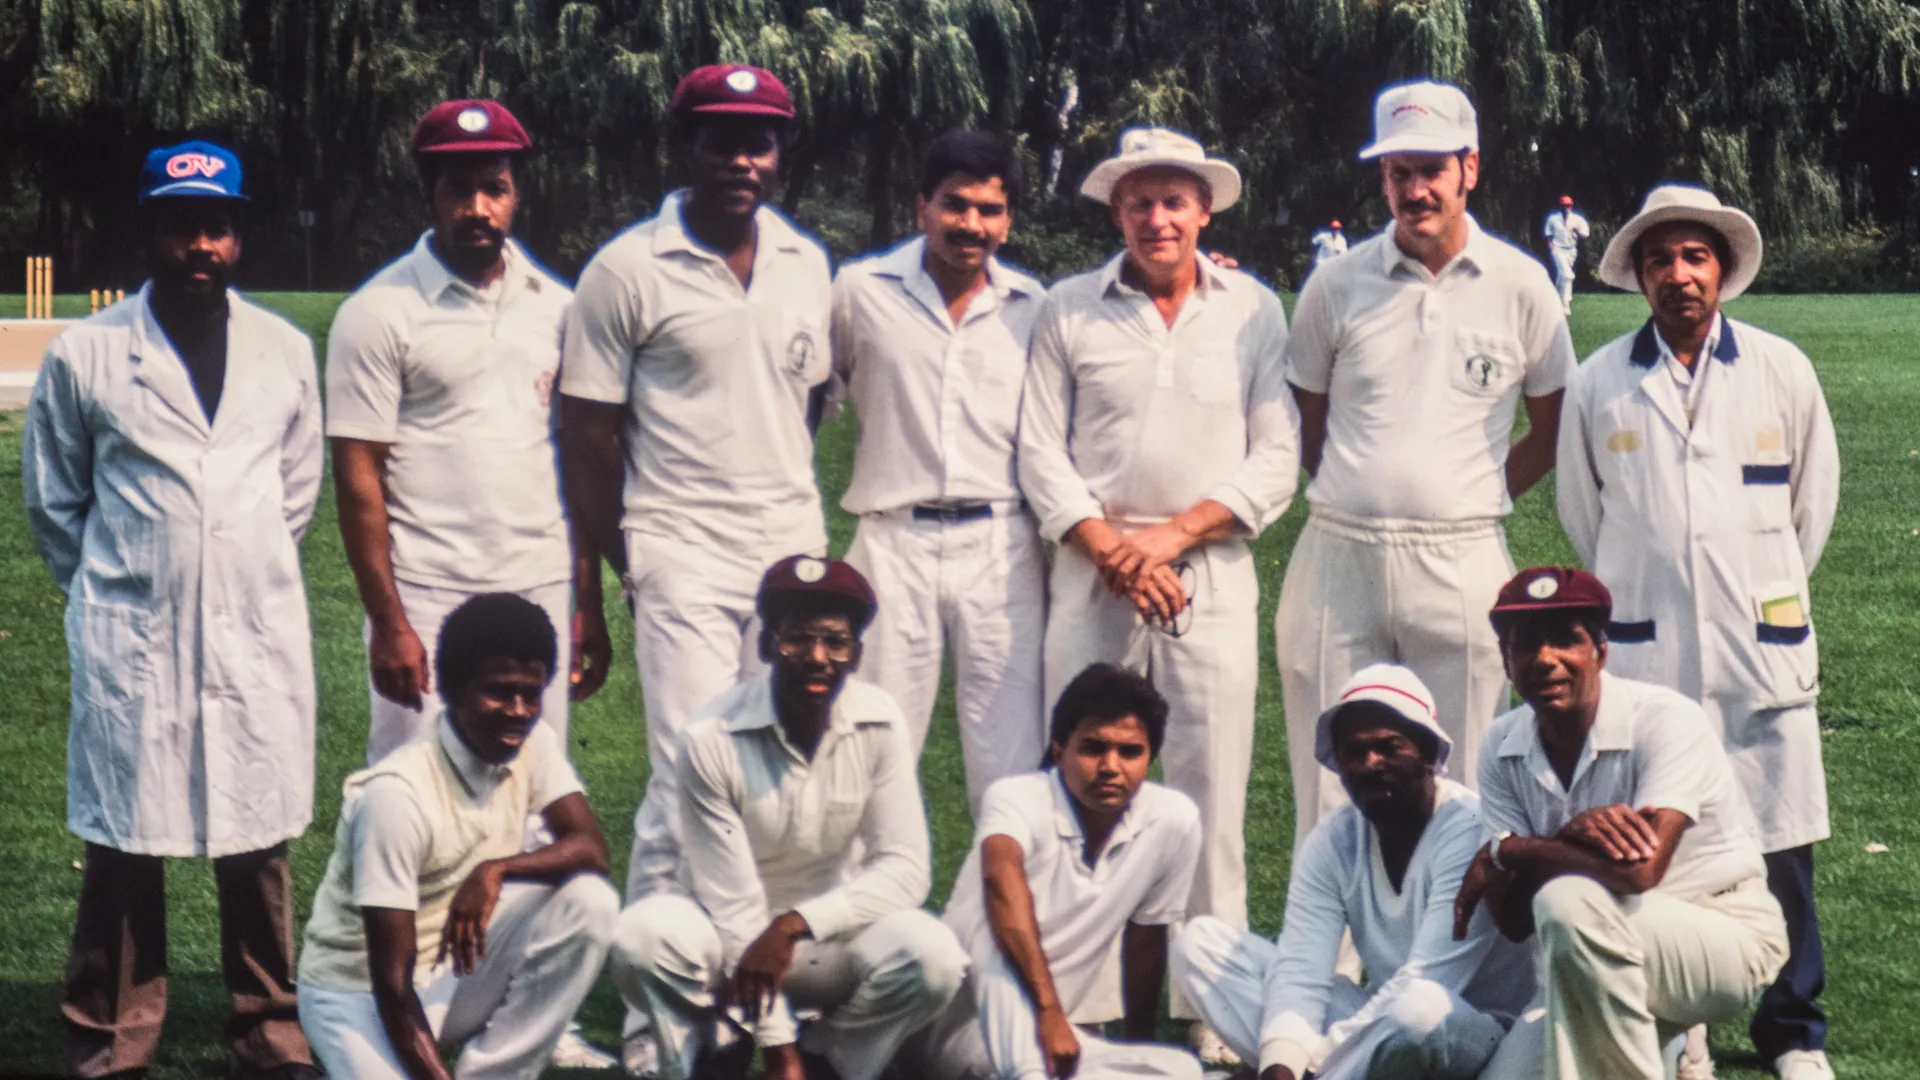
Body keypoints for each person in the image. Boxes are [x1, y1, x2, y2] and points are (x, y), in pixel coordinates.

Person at [22, 141, 323, 1079]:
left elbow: (296, 491)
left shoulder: (285, 349)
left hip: (254, 623)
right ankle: (113, 1033)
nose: (202, 244)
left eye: (217, 226)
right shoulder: (88, 355)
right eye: (182, 225)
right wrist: (121, 586)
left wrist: (231, 566)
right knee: (123, 840)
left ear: (240, 235)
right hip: (132, 633)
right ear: (150, 231)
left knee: (256, 834)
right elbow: (54, 501)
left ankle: (269, 1026)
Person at [556, 65, 833, 1069]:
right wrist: (638, 559)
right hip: (676, 543)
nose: (743, 160)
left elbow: (802, 407)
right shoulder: (626, 268)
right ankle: (652, 1019)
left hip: (788, 549)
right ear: (686, 148)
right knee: (687, 773)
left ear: (780, 152)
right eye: (723, 140)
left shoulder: (807, 261)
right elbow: (587, 431)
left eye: (760, 141)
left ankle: (755, 995)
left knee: (784, 770)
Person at [1018, 125, 1299, 1061]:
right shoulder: (1067, 308)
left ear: (1203, 209)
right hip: (1093, 572)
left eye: (1174, 199)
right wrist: (1114, 550)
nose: (1156, 217)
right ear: (1116, 210)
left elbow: (1278, 459)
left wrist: (1172, 540)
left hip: (1206, 567)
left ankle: (1210, 1001)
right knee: (1086, 781)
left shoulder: (1253, 310)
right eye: (1139, 201)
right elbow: (1040, 455)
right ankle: (1087, 995)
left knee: (1210, 784)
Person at [1558, 183, 1841, 1080]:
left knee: (1779, 837)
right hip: (1648, 650)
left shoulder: (1780, 369)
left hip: (1759, 645)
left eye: (1695, 257)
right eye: (1659, 260)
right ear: (1638, 275)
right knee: (1657, 836)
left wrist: (1752, 588)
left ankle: (1792, 1028)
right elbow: (1583, 514)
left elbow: (1812, 507)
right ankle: (1685, 1031)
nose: (1679, 276)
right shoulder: (1600, 380)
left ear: (1721, 268)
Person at [1276, 79, 1576, 847]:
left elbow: (1551, 430)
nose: (1415, 189)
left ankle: (1458, 958)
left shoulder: (1522, 284)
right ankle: (1330, 963)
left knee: (1468, 778)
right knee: (1327, 782)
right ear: (1382, 177)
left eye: (1431, 169)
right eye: (1398, 171)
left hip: (1463, 554)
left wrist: (1465, 494)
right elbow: (1305, 422)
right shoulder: (1335, 285)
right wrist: (1365, 488)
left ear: (1468, 168)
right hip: (1339, 554)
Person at [327, 99, 610, 767]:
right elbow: (358, 475)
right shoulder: (377, 313)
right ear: (429, 194)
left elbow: (577, 466)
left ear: (516, 195)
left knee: (531, 797)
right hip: (429, 591)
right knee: (415, 792)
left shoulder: (560, 307)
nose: (478, 207)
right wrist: (391, 624)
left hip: (537, 585)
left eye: (495, 188)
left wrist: (585, 603)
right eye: (459, 189)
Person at [607, 556, 967, 1080]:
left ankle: (832, 1060)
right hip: (720, 944)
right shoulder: (710, 737)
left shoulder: (881, 720)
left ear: (857, 654)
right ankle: (705, 1046)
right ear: (766, 645)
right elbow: (732, 908)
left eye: (835, 642)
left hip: (819, 944)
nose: (816, 657)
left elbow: (907, 870)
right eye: (796, 638)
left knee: (933, 956)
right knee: (641, 937)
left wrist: (795, 925)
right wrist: (780, 1051)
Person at [1458, 568, 1789, 1080]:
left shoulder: (1665, 719)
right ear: (1506, 661)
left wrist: (1520, 851)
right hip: (1590, 964)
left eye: (1566, 640)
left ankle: (1680, 1035)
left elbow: (1640, 874)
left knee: (1564, 901)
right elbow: (1516, 921)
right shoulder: (1501, 744)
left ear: (1601, 652)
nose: (1546, 659)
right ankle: (1672, 1047)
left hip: (1721, 930)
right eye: (1525, 645)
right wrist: (1561, 841)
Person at [297, 594, 621, 1080]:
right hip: (356, 992)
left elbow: (591, 849)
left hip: (448, 971)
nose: (518, 711)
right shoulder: (395, 796)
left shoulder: (534, 740)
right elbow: (390, 982)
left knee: (590, 901)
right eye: (498, 691)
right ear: (450, 688)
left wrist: (497, 869)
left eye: (531, 693)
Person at [1172, 663, 1531, 1080]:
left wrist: (1312, 1064)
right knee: (1198, 946)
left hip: (1480, 1042)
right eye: (1353, 752)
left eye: (1390, 747)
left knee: (1419, 1008)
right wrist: (1280, 1063)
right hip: (1383, 1029)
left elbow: (1432, 979)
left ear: (1430, 754)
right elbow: (1301, 970)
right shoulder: (1334, 838)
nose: (1371, 763)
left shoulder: (1467, 829)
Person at [831, 130, 1048, 811]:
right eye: (955, 206)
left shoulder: (1033, 307)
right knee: (873, 746)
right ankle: (861, 917)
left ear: (1009, 218)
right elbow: (805, 394)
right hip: (893, 541)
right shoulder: (860, 291)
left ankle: (1003, 918)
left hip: (1001, 545)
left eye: (990, 210)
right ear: (921, 206)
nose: (971, 226)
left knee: (1009, 761)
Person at [906, 663, 1206, 1080]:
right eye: (1093, 747)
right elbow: (1000, 882)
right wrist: (1049, 1014)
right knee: (993, 932)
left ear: (1150, 757)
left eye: (1130, 752)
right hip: (963, 1029)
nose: (1110, 766)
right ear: (1060, 748)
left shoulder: (1174, 819)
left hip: (1056, 1034)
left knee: (1183, 1070)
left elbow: (1146, 941)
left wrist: (1139, 1041)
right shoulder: (1016, 797)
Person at [1543, 195, 1590, 314]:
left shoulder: (1577, 219)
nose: (1566, 208)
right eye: (1564, 206)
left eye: (1568, 205)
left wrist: (1576, 231)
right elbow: (1548, 235)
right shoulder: (1553, 219)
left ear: (1571, 206)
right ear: (1561, 206)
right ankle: (1566, 303)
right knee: (1568, 275)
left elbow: (1585, 235)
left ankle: (1556, 300)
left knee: (1561, 276)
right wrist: (1552, 247)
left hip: (1571, 250)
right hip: (1558, 249)